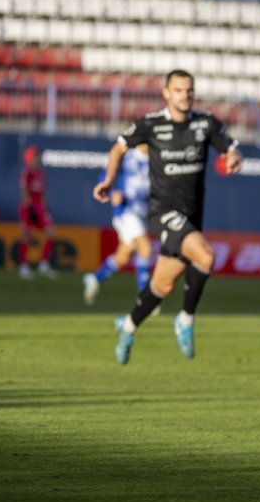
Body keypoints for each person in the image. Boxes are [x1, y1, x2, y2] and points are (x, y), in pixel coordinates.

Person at [93, 69, 242, 364]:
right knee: (206, 257)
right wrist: (109, 181)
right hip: (163, 213)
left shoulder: (205, 123)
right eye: (178, 90)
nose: (185, 95)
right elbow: (118, 149)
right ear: (166, 93)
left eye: (189, 90)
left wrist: (234, 158)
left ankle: (128, 326)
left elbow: (231, 149)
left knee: (162, 286)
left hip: (192, 217)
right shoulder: (151, 124)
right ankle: (185, 319)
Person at [83, 144, 153, 306]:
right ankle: (145, 298)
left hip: (142, 213)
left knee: (123, 256)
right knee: (146, 249)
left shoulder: (155, 159)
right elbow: (106, 175)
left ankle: (94, 279)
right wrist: (112, 191)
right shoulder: (126, 156)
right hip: (126, 212)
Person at [17, 144, 57, 279]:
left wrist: (46, 209)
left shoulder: (41, 175)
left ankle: (44, 264)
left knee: (50, 232)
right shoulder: (26, 173)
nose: (38, 160)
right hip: (28, 208)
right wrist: (29, 209)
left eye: (39, 157)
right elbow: (24, 192)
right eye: (35, 157)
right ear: (29, 159)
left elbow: (42, 194)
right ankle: (23, 266)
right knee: (26, 236)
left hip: (40, 209)